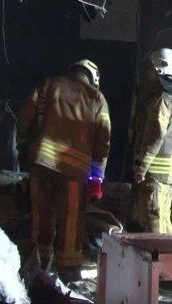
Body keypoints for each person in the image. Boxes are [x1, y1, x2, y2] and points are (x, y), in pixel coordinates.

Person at [16, 59, 111, 281]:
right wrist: (98, 175)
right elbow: (103, 140)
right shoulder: (96, 97)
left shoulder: (47, 86)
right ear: (93, 77)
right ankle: (68, 273)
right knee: (70, 222)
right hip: (74, 173)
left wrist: (23, 146)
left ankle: (38, 269)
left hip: (41, 165)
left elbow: (25, 116)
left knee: (41, 218)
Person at [131, 48, 172, 233]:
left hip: (155, 174)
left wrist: (142, 166)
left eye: (152, 68)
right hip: (170, 174)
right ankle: (170, 251)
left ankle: (159, 252)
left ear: (161, 69)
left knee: (153, 220)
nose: (150, 72)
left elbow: (154, 134)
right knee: (163, 219)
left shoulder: (163, 99)